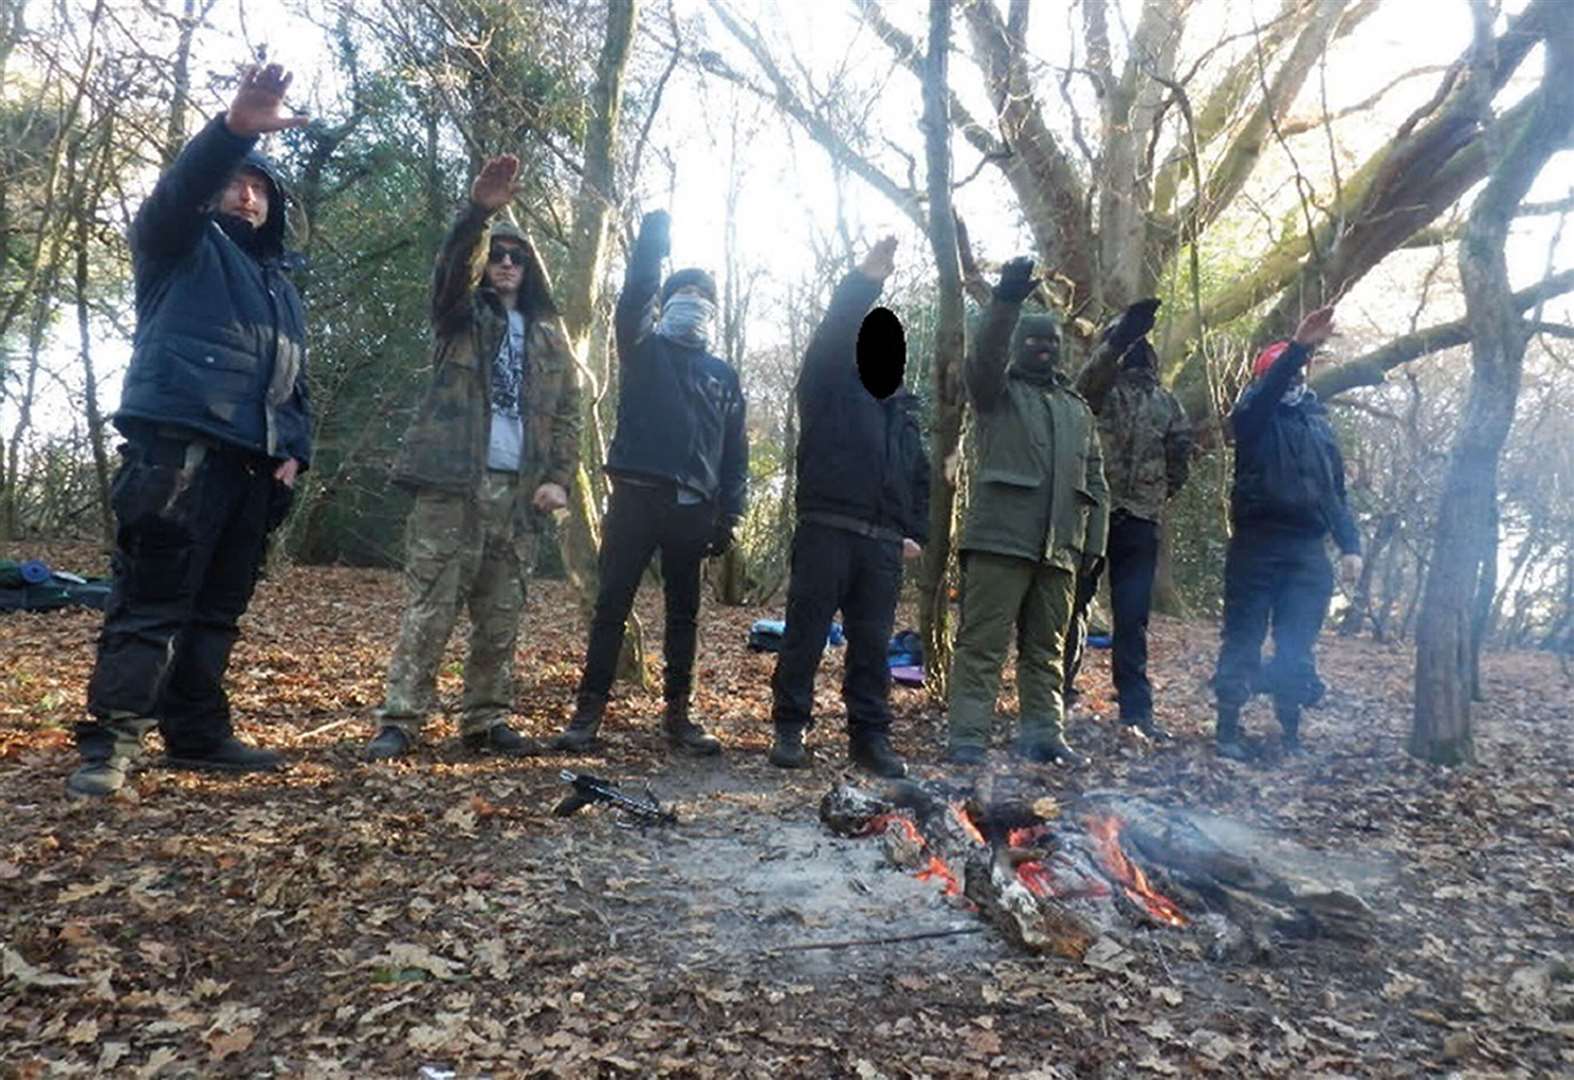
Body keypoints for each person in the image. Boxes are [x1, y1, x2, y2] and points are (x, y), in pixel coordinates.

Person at [69, 64, 313, 798]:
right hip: (177, 454)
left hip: (254, 468)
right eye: (236, 181)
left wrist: (295, 453)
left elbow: (295, 385)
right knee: (153, 599)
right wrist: (232, 131)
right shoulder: (176, 245)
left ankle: (198, 734)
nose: (248, 195)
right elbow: (176, 194)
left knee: (218, 609)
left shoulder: (283, 290)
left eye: (261, 186)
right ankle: (110, 743)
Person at [366, 155, 581, 760]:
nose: (506, 263)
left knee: (502, 613)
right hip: (452, 483)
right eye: (497, 254)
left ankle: (486, 720)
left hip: (520, 494)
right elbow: (450, 274)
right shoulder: (460, 317)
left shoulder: (549, 336)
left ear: (530, 268)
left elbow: (568, 414)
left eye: (517, 256)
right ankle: (401, 720)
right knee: (430, 604)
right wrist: (479, 214)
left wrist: (559, 480)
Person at [551, 211, 747, 756]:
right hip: (635, 499)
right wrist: (650, 247)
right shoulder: (643, 349)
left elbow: (735, 453)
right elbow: (632, 301)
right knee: (611, 605)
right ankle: (587, 713)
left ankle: (679, 717)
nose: (693, 301)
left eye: (702, 296)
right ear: (667, 302)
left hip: (694, 509)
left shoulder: (723, 375)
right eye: (683, 293)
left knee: (685, 614)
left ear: (712, 311)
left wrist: (731, 514)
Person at [766, 236, 929, 779]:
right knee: (805, 635)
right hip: (826, 528)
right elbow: (835, 331)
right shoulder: (828, 385)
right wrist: (864, 283)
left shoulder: (906, 413)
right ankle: (791, 727)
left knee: (872, 647)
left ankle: (870, 738)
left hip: (883, 543)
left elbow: (921, 480)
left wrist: (916, 533)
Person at [946, 257, 1108, 767]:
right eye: (1035, 342)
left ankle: (1044, 735)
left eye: (1052, 344)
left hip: (1060, 548)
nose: (1045, 349)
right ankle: (967, 739)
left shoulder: (1076, 408)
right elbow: (986, 357)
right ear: (1020, 345)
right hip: (1000, 541)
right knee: (982, 646)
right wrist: (1006, 302)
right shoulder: (997, 393)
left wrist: (1094, 549)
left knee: (1047, 651)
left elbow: (1096, 481)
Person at [1212, 305, 1361, 760]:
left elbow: (1334, 492)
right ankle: (1227, 730)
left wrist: (1351, 546)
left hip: (1307, 551)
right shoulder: (1253, 416)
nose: (1296, 381)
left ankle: (1290, 732)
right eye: (1287, 374)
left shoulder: (1319, 426)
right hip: (1257, 545)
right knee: (1243, 637)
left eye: (1301, 374)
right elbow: (1267, 393)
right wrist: (1297, 347)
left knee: (1297, 645)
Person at [1067, 298, 1191, 740]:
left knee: (1132, 617)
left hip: (1139, 520)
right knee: (1074, 605)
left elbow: (1180, 457)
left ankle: (1136, 711)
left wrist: (1155, 495)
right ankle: (1059, 694)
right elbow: (1086, 385)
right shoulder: (1100, 390)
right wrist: (1119, 337)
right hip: (1092, 512)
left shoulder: (1167, 403)